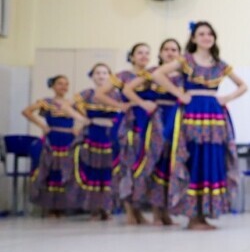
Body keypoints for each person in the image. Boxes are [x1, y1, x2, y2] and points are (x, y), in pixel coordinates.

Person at [150, 22, 247, 230]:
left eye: (209, 33)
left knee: (212, 161)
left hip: (214, 117)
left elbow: (243, 86)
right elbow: (157, 74)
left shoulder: (220, 64)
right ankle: (193, 216)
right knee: (193, 160)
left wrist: (225, 98)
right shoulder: (185, 60)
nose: (206, 37)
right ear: (193, 39)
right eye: (201, 34)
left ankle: (203, 215)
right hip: (192, 115)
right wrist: (178, 94)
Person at [123, 38, 182, 226]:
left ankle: (167, 212)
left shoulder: (184, 74)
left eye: (174, 49)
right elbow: (128, 89)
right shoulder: (152, 72)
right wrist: (142, 103)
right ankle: (155, 212)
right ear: (160, 53)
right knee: (155, 162)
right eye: (166, 49)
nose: (170, 52)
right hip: (156, 120)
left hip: (177, 118)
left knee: (170, 164)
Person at [96, 43, 154, 225]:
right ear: (132, 56)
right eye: (140, 53)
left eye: (147, 53)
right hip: (129, 121)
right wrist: (120, 106)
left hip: (149, 121)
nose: (144, 56)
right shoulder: (122, 76)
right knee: (128, 165)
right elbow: (100, 94)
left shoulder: (153, 75)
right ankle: (130, 210)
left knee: (144, 165)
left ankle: (140, 209)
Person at [22, 75, 86, 216]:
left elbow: (86, 118)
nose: (63, 87)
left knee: (67, 170)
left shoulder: (71, 104)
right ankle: (52, 207)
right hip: (53, 138)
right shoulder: (47, 102)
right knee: (52, 169)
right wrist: (41, 125)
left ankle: (65, 206)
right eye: (60, 84)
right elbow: (26, 111)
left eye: (66, 84)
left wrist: (78, 129)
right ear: (53, 86)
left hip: (69, 139)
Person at [73, 63, 127, 220]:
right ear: (92, 76)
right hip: (93, 135)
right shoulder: (87, 94)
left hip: (112, 135)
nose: (101, 76)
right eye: (98, 73)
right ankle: (94, 209)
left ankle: (108, 208)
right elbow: (66, 105)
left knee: (110, 172)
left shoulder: (117, 95)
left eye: (104, 73)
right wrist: (81, 119)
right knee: (93, 171)